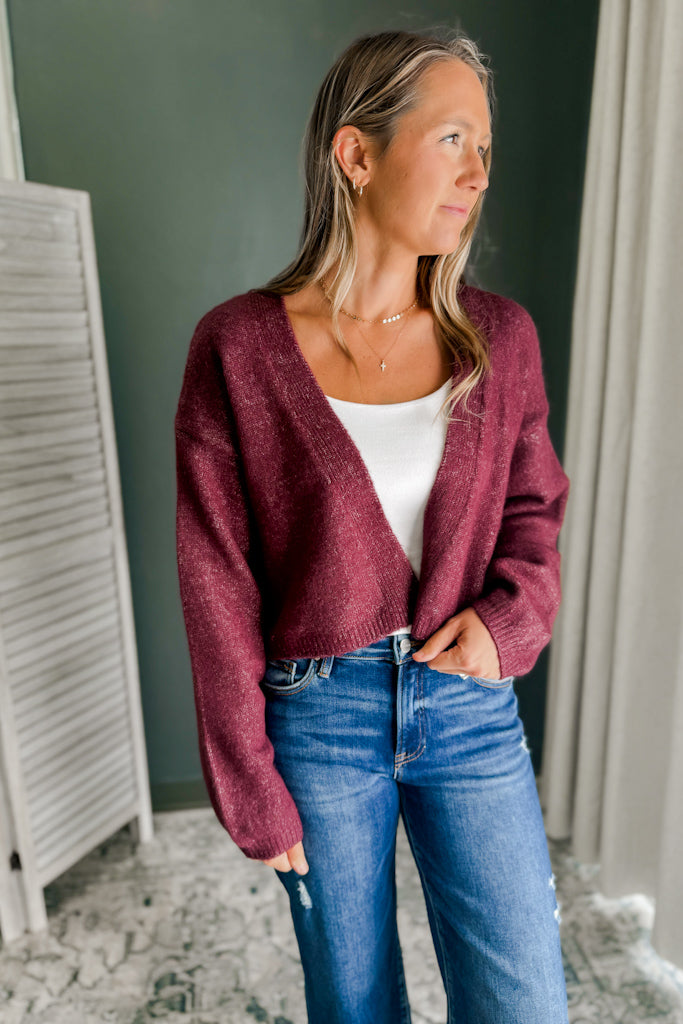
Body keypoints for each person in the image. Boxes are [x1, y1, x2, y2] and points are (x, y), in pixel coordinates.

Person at [175, 27, 571, 1024]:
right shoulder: (237, 347)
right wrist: (248, 785)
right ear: (356, 154)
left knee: (523, 1001)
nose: (478, 172)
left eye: (485, 147)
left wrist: (508, 623)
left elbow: (534, 510)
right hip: (318, 717)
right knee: (352, 1004)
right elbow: (215, 577)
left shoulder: (499, 338)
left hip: (468, 706)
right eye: (451, 139)